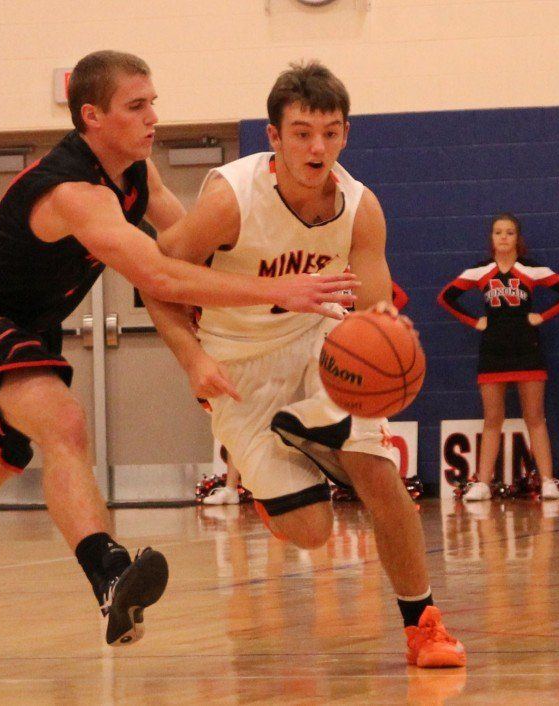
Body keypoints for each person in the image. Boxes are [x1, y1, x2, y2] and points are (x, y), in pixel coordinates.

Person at [0, 50, 359, 645]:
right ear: (92, 116)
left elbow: (186, 247)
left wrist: (278, 255)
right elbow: (162, 280)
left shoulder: (139, 175)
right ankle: (110, 574)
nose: (153, 117)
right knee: (63, 424)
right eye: (137, 106)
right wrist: (282, 289)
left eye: (153, 103)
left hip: (31, 325)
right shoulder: (75, 192)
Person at [143, 61, 466, 668]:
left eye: (331, 131)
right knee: (312, 531)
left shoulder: (360, 208)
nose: (317, 146)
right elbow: (157, 280)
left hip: (321, 343)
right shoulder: (230, 200)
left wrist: (388, 336)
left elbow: (372, 306)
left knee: (377, 471)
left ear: (345, 134)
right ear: (274, 136)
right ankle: (289, 458)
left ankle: (424, 625)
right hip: (238, 364)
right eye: (302, 132)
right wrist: (191, 359)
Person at [438, 214, 559, 502]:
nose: (503, 237)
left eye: (509, 232)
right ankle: (482, 484)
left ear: (518, 238)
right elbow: (445, 297)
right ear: (491, 238)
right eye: (498, 232)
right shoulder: (480, 271)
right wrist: (474, 321)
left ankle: (549, 481)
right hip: (493, 351)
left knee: (535, 417)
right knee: (492, 419)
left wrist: (543, 316)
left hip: (527, 348)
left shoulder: (531, 270)